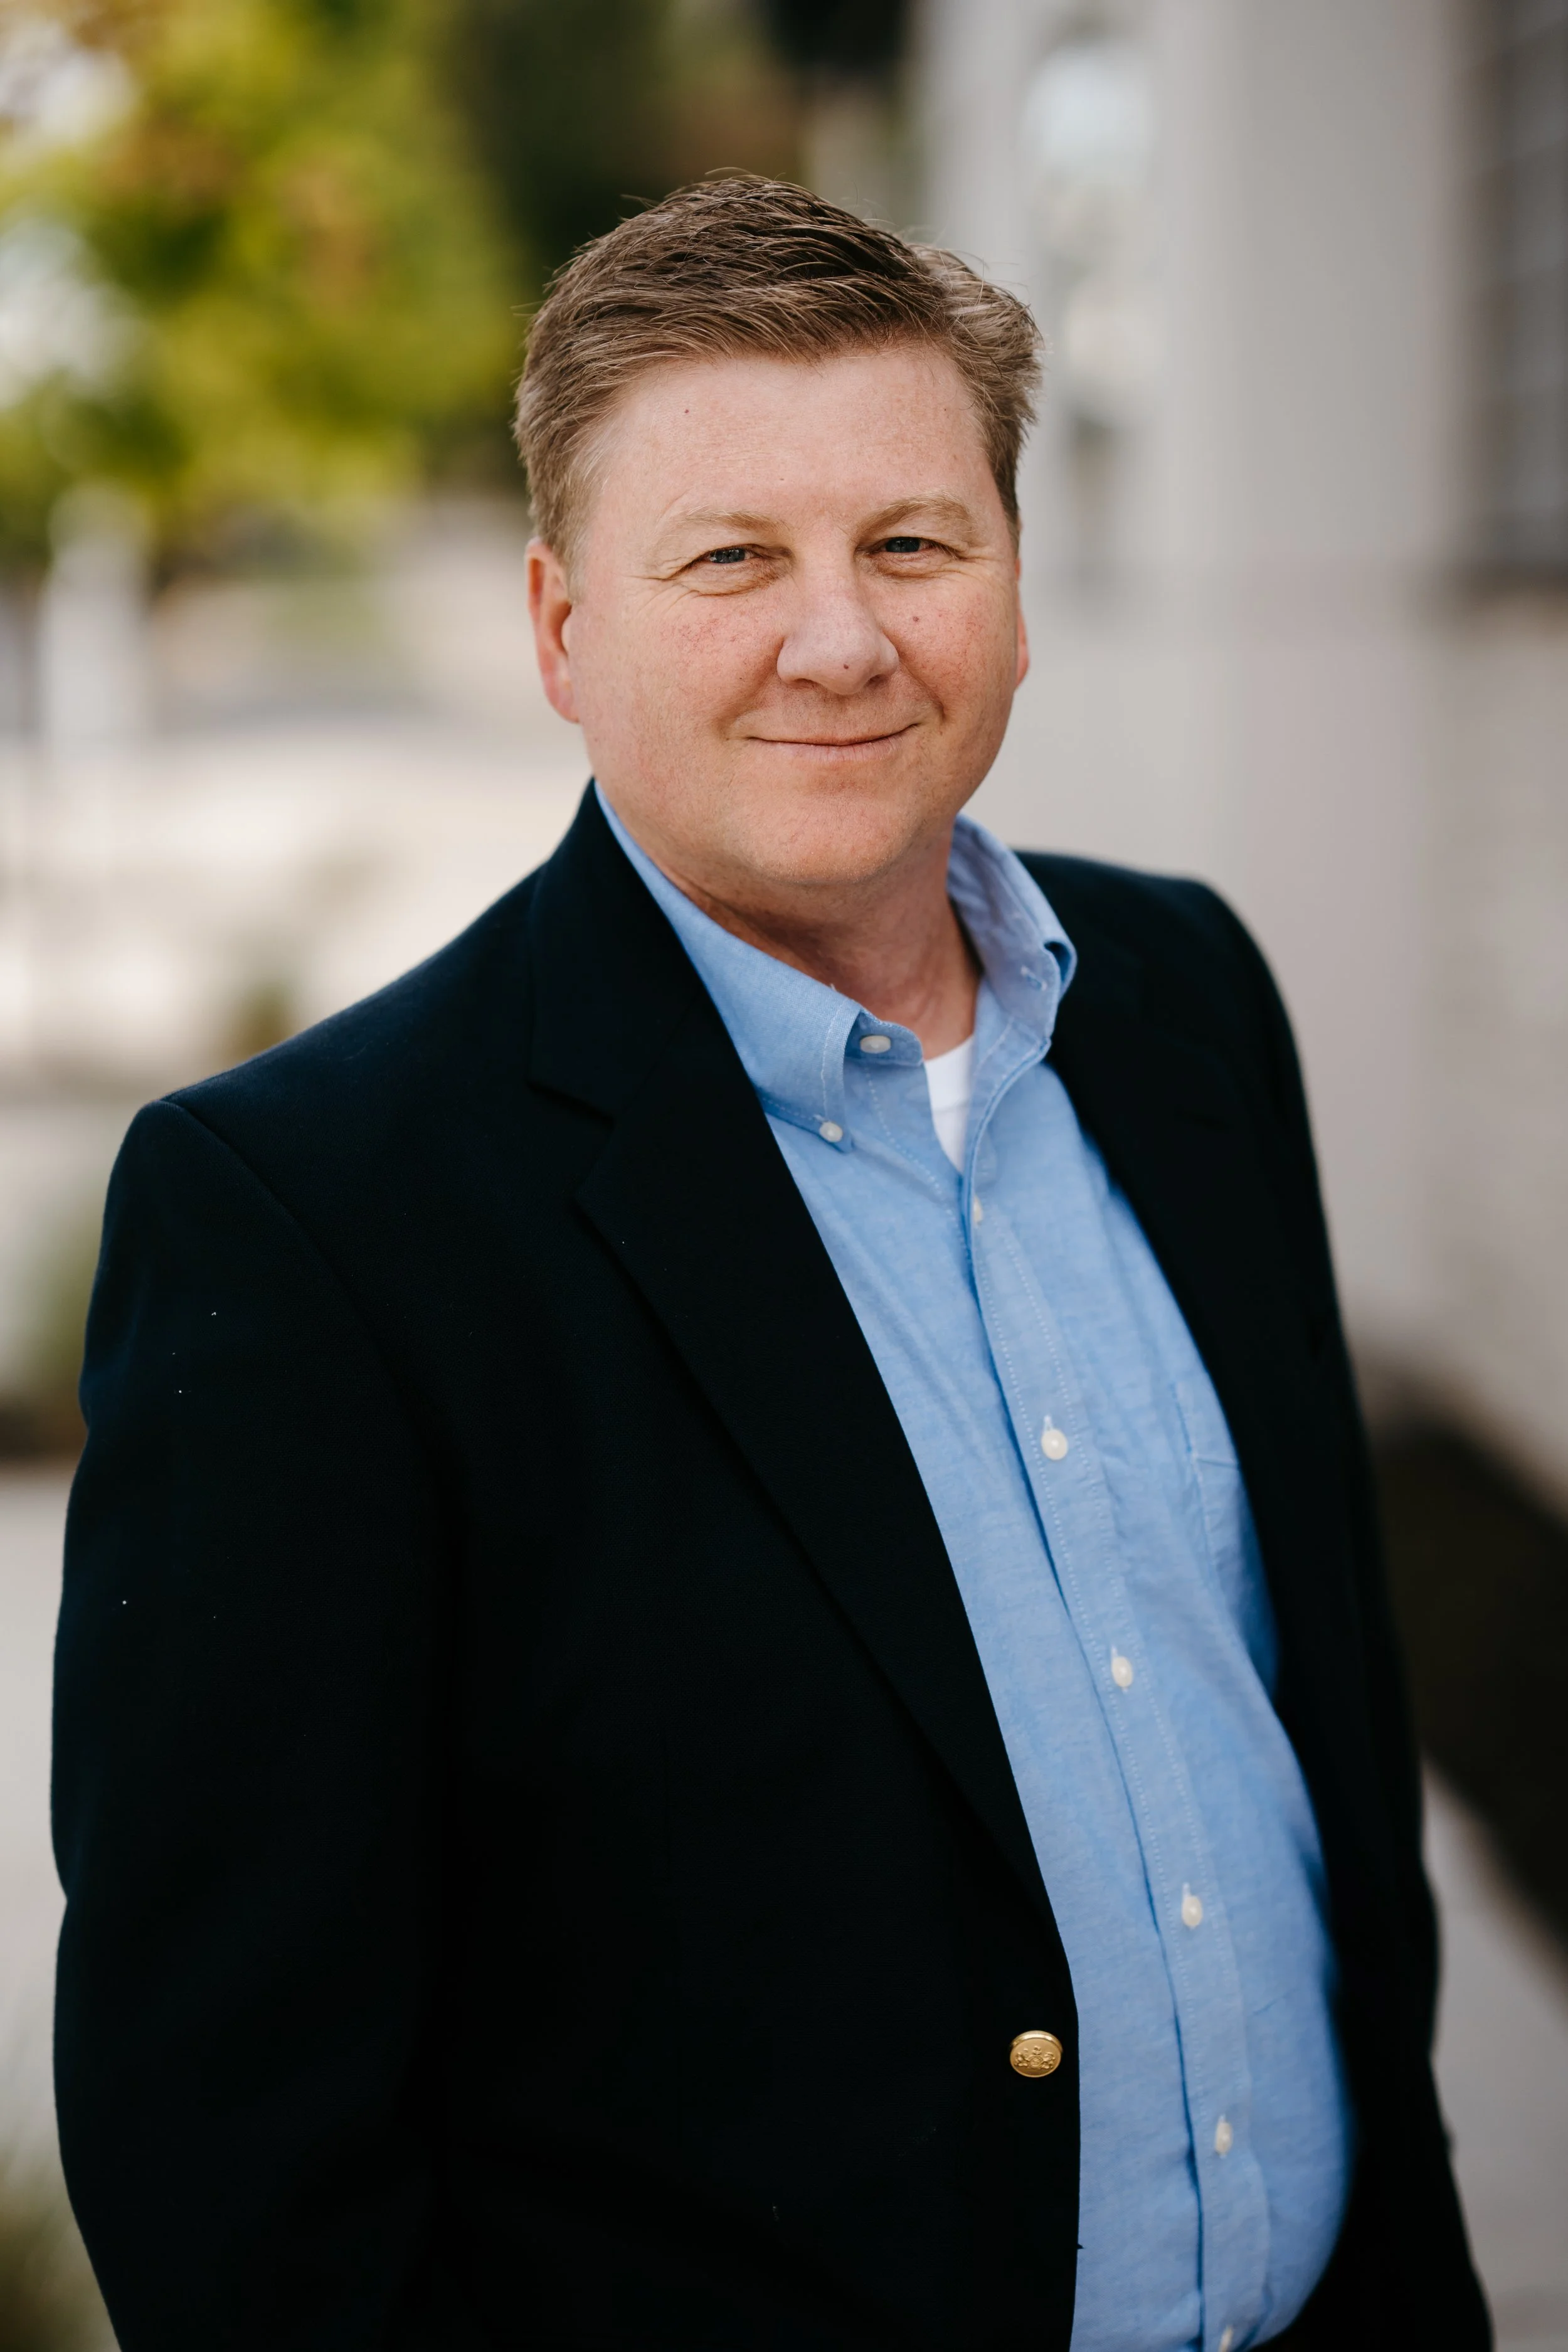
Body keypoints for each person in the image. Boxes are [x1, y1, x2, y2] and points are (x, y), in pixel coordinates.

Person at [53, 176, 1489, 2352]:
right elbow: (234, 2157)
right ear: (559, 630)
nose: (841, 637)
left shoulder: (1185, 1003)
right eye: (729, 559)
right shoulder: (316, 1220)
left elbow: (1326, 1758)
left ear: (1013, 589)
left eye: (912, 544)